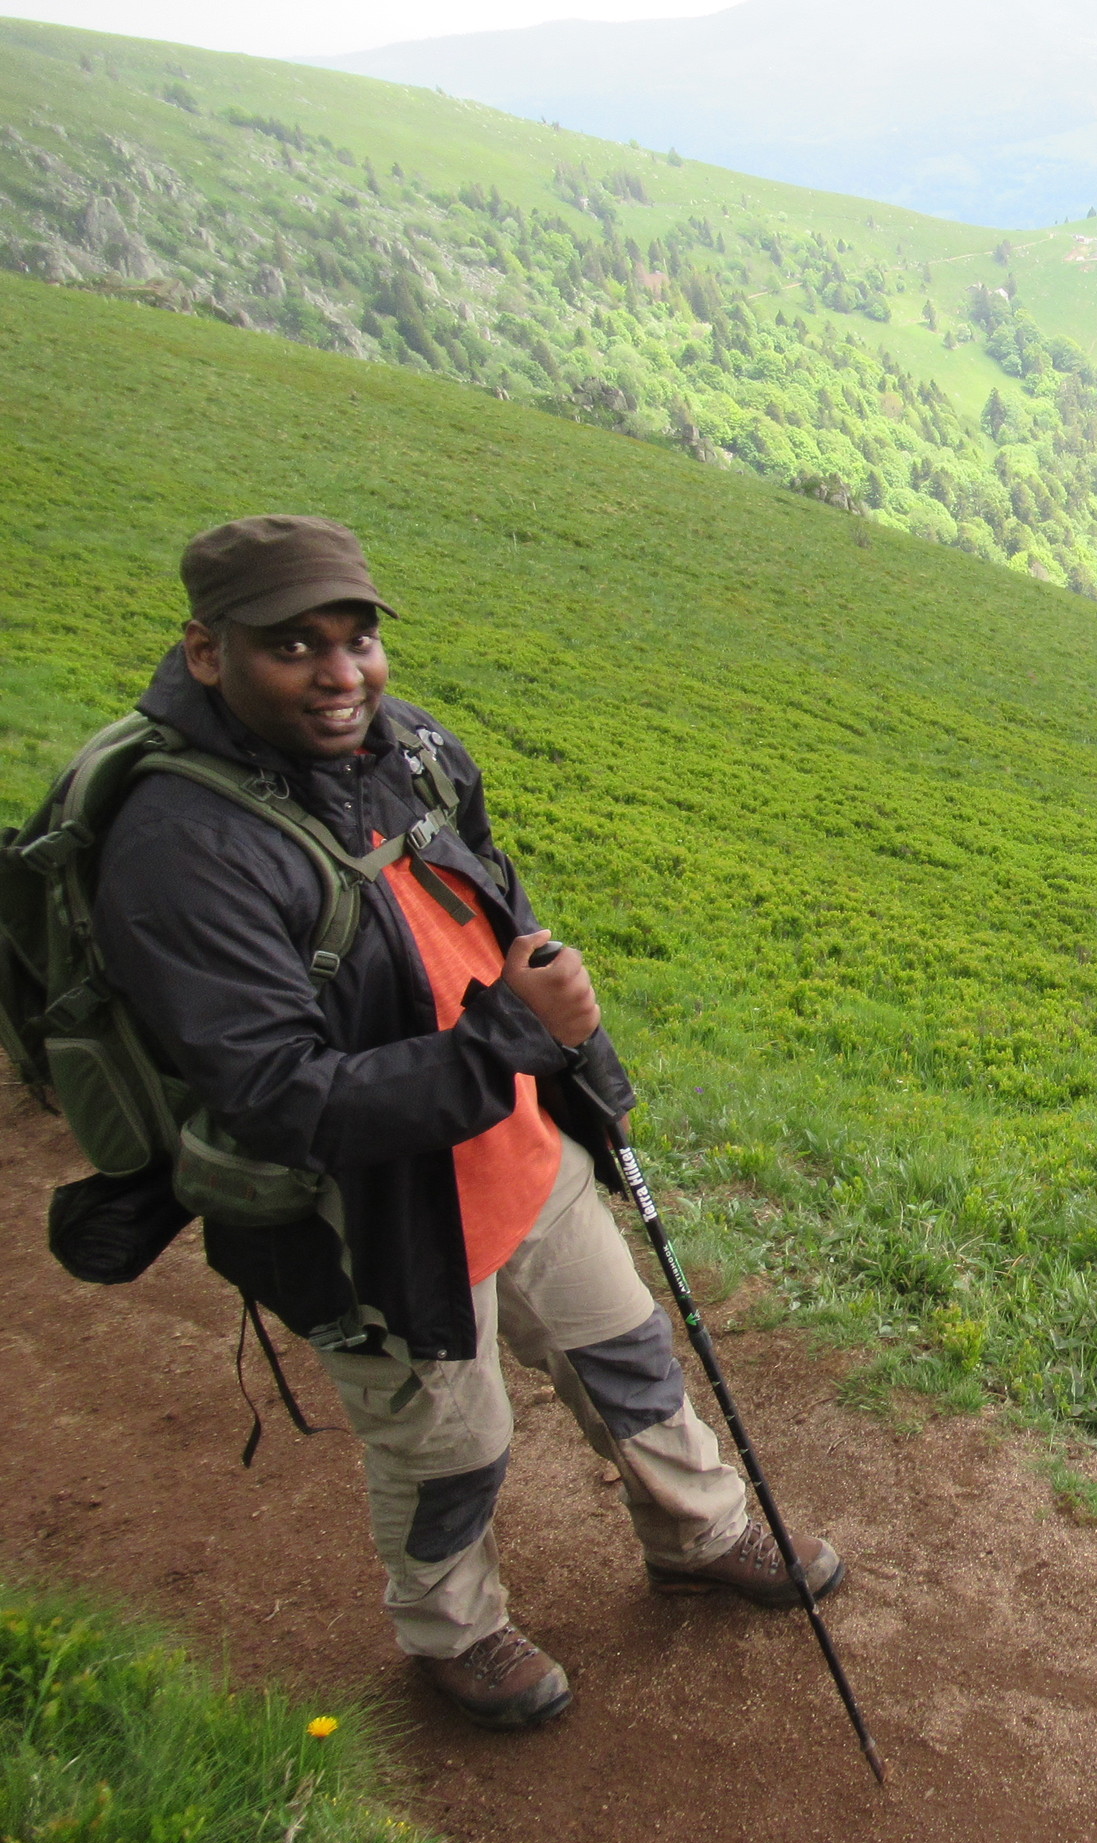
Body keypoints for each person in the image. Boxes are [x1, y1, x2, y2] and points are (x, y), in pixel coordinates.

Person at [91, 515, 842, 1730]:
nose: (340, 674)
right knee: (452, 1445)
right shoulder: (181, 850)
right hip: (366, 1216)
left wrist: (584, 1062)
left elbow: (501, 910)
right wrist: (509, 1039)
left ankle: (699, 1536)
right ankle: (454, 1631)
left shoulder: (411, 747)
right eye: (294, 645)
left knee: (627, 1351)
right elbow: (278, 1099)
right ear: (208, 652)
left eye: (356, 638)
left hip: (515, 1148)